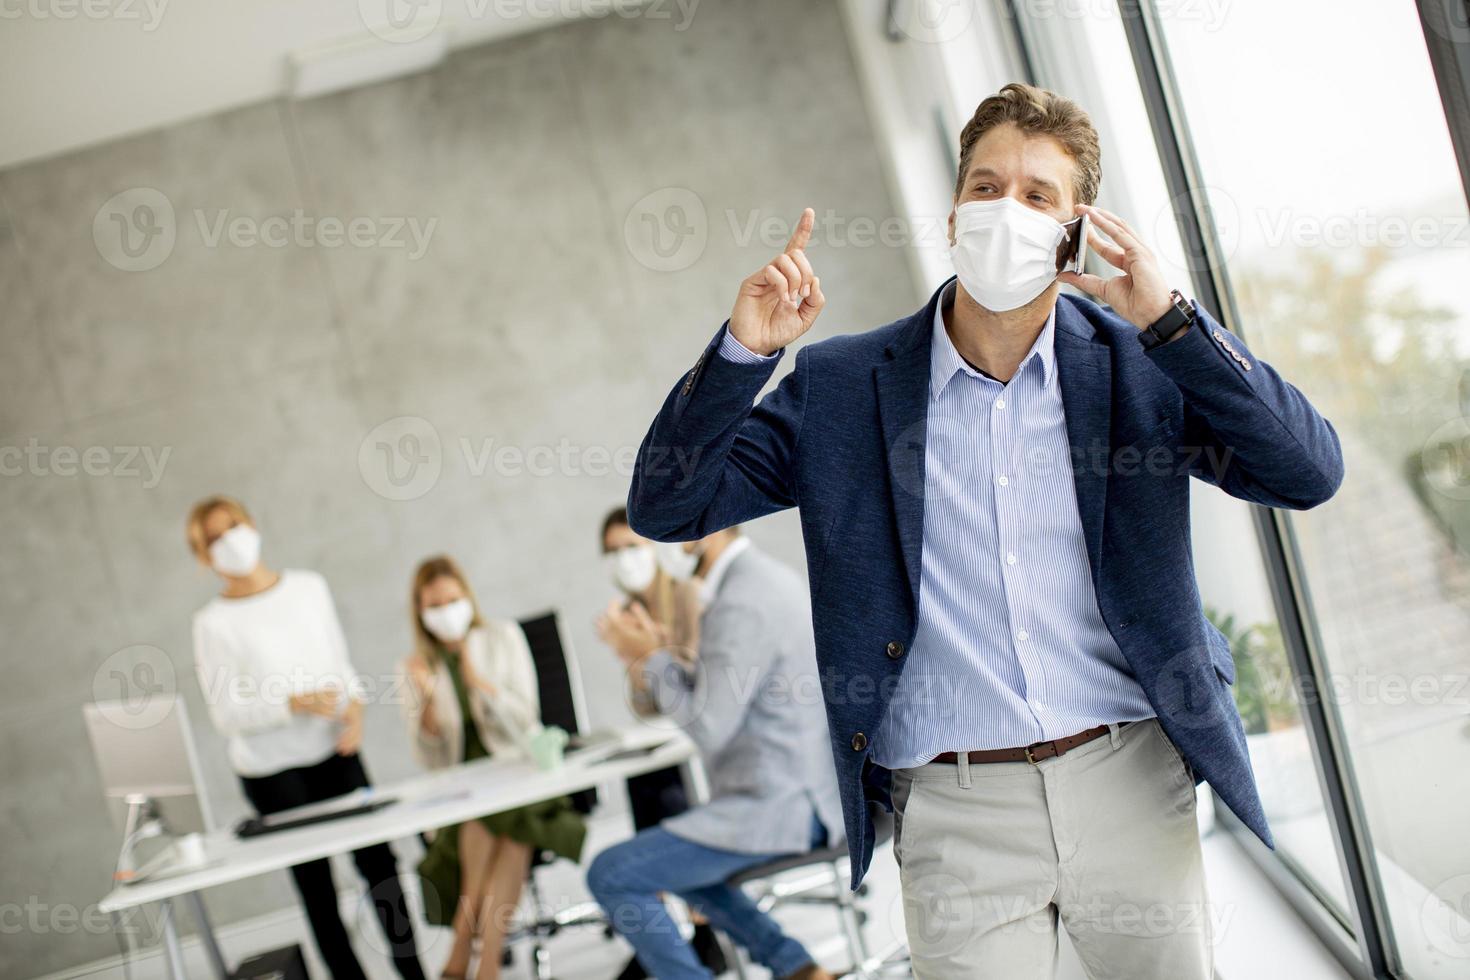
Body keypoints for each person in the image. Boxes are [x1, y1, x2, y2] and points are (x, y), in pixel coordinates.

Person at [626, 82, 1345, 979]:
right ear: (955, 209)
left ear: (1077, 229)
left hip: (1127, 779)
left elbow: (1308, 472)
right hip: (955, 810)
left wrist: (1173, 321)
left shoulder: (1142, 364)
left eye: (1038, 197)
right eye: (986, 185)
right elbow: (667, 505)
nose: (1006, 211)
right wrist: (744, 354)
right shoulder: (847, 386)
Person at [588, 526, 844, 980]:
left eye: (663, 530)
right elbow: (720, 698)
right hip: (794, 793)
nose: (656, 545)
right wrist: (654, 653)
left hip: (785, 805)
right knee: (684, 870)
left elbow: (708, 727)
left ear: (711, 527)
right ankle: (796, 966)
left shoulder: (742, 601)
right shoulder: (751, 582)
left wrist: (648, 657)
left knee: (611, 873)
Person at [187, 495, 425, 980]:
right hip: (273, 774)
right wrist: (290, 703)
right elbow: (226, 713)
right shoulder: (212, 624)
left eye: (232, 526)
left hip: (336, 752)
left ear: (252, 524)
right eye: (214, 538)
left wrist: (355, 710)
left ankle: (413, 972)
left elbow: (340, 664)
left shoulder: (308, 588)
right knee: (317, 892)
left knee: (382, 872)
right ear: (203, 556)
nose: (229, 540)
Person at [400, 555, 586, 980]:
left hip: (519, 770)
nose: (446, 611)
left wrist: (478, 681)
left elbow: (526, 717)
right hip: (461, 785)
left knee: (502, 817)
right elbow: (427, 758)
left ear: (467, 597)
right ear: (421, 613)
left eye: (452, 599)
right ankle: (485, 968)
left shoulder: (501, 637)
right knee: (493, 823)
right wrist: (427, 700)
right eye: (434, 605)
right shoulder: (414, 667)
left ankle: (461, 956)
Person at [595, 507, 726, 979]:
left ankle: (703, 928)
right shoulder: (630, 611)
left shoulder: (686, 593)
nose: (623, 559)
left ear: (652, 545)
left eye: (630, 546)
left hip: (707, 745)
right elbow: (647, 705)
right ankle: (663, 930)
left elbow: (694, 686)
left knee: (669, 795)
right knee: (645, 785)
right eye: (612, 552)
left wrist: (650, 650)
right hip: (668, 742)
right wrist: (632, 653)